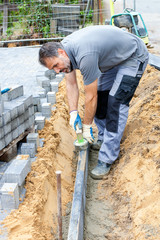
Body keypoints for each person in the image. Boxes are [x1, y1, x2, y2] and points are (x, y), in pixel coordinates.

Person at [39, 25, 149, 179]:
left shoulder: (85, 56)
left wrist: (86, 126)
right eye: (53, 69)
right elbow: (71, 84)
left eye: (56, 66)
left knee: (115, 104)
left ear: (61, 53)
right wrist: (73, 113)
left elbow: (90, 97)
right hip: (112, 58)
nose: (57, 71)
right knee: (101, 93)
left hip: (133, 56)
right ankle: (104, 137)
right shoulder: (64, 55)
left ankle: (107, 158)